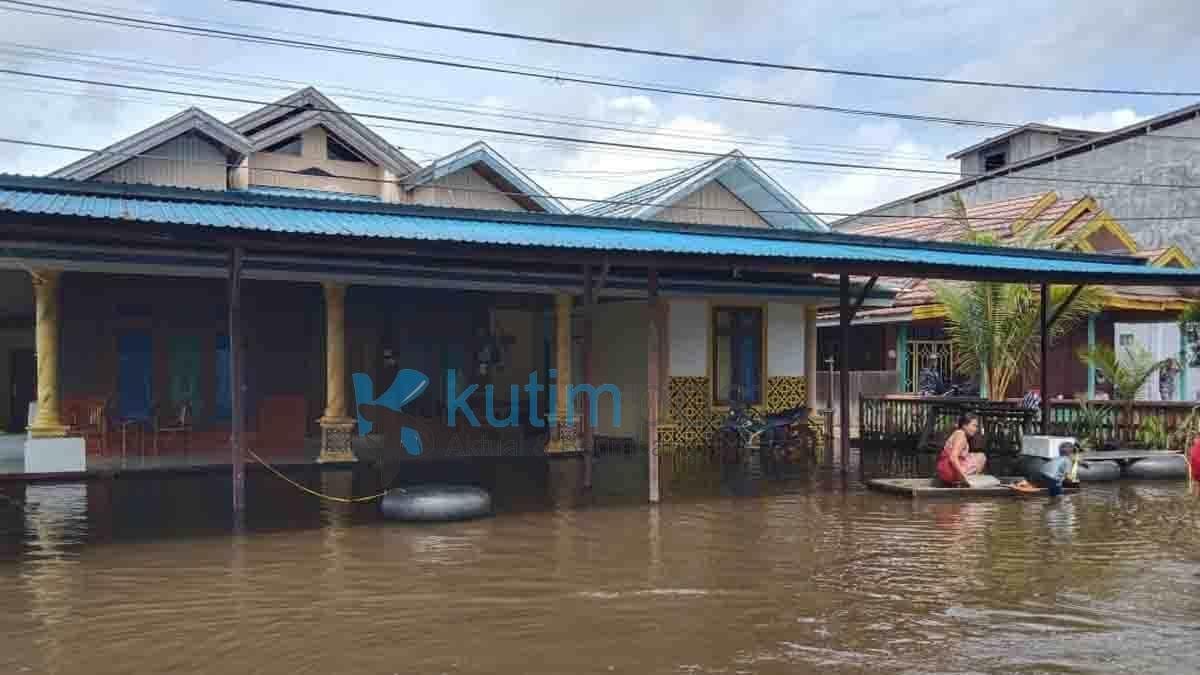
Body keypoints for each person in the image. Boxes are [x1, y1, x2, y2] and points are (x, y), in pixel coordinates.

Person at [936, 413, 987, 486]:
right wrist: (964, 477)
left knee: (973, 455)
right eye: (974, 426)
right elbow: (953, 458)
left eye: (976, 427)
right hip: (949, 471)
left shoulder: (958, 433)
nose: (976, 429)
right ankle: (968, 481)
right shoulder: (961, 435)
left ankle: (961, 480)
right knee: (981, 457)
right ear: (964, 425)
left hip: (944, 471)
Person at [1011, 442, 1075, 496]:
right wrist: (1071, 481)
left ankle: (1024, 483)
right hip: (1053, 478)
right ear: (1070, 453)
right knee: (1058, 495)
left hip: (1041, 473)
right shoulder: (1068, 461)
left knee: (1039, 484)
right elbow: (1067, 476)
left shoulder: (1056, 458)